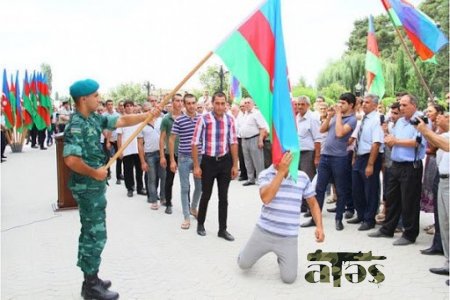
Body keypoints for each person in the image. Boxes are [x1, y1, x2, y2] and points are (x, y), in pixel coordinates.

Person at [63, 78, 157, 300]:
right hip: (87, 187)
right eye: (95, 95)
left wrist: (147, 115)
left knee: (92, 232)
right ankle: (91, 286)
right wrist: (94, 173)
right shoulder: (76, 124)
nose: (99, 98)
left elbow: (121, 120)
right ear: (83, 99)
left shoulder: (93, 118)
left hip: (93, 187)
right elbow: (70, 159)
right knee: (95, 234)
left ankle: (91, 278)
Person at [237, 152, 325, 283]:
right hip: (263, 232)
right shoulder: (265, 174)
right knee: (243, 264)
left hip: (288, 237)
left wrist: (319, 227)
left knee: (289, 278)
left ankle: (281, 257)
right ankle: (248, 252)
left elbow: (313, 203)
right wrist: (281, 172)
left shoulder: (302, 177)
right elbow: (266, 198)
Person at [368, 93, 427, 246]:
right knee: (392, 198)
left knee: (409, 201)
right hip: (396, 164)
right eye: (400, 105)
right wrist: (387, 134)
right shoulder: (400, 121)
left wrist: (396, 141)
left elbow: (417, 142)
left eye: (405, 105)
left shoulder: (420, 121)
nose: (401, 108)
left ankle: (409, 233)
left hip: (411, 166)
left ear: (414, 105)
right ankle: (388, 228)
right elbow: (392, 141)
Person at [301, 93, 357, 231]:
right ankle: (315, 218)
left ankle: (339, 219)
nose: (339, 105)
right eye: (339, 102)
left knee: (340, 189)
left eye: (343, 103)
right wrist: (330, 116)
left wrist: (337, 115)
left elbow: (339, 133)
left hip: (339, 158)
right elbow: (322, 130)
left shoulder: (352, 119)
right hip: (326, 156)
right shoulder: (335, 117)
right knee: (319, 188)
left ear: (351, 105)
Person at [192, 91, 238, 241]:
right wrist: (197, 166)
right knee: (206, 194)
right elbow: (195, 142)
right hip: (208, 162)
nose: (219, 106)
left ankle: (222, 230)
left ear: (226, 104)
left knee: (223, 197)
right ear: (212, 103)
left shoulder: (230, 120)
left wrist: (235, 165)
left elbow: (233, 142)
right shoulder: (204, 119)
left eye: (222, 103)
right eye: (217, 103)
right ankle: (200, 224)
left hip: (225, 162)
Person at [416, 111, 450, 285]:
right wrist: (425, 131)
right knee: (444, 225)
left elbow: (446, 145)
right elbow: (437, 143)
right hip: (443, 181)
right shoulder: (445, 133)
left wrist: (425, 131)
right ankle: (448, 263)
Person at [348, 94, 384, 231]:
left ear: (375, 105)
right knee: (357, 188)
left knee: (370, 190)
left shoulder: (376, 119)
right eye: (363, 102)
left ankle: (369, 219)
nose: (364, 104)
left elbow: (376, 143)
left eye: (367, 102)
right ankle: (361, 214)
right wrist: (354, 157)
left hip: (371, 157)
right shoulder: (364, 119)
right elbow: (359, 139)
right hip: (359, 157)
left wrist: (370, 164)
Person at [169, 94, 202, 229]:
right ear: (184, 104)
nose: (191, 105)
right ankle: (186, 217)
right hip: (183, 157)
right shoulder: (179, 120)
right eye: (188, 103)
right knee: (185, 188)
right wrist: (172, 160)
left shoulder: (201, 119)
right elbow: (171, 140)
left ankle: (193, 208)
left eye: (193, 103)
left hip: (199, 157)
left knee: (200, 187)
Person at [295, 96, 322, 214]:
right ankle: (302, 205)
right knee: (298, 179)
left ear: (308, 105)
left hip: (308, 153)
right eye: (298, 104)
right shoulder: (297, 117)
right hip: (297, 153)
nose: (299, 107)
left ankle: (311, 207)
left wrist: (317, 157)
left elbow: (318, 139)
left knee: (308, 180)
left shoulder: (312, 119)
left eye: (302, 104)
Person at [138, 102, 166, 209]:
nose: (147, 112)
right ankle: (153, 200)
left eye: (149, 109)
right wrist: (142, 161)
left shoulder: (160, 120)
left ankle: (163, 198)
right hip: (149, 154)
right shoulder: (141, 125)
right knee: (152, 178)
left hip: (162, 152)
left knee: (163, 176)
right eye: (145, 110)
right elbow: (140, 144)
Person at [159, 93, 183, 214]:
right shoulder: (166, 119)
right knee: (169, 179)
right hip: (170, 153)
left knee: (185, 182)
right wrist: (162, 156)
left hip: (184, 153)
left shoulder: (186, 117)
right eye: (177, 100)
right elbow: (162, 138)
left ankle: (187, 205)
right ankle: (168, 203)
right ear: (172, 102)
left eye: (181, 101)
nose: (179, 103)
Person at [117, 100, 146, 198]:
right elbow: (119, 137)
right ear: (124, 108)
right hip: (127, 150)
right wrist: (120, 150)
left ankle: (140, 188)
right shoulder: (122, 120)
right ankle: (130, 188)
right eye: (127, 106)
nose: (129, 108)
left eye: (131, 106)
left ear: (134, 107)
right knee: (128, 170)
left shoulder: (138, 119)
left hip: (138, 149)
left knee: (139, 170)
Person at [240, 97, 267, 186]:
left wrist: (260, 140)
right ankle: (250, 179)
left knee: (258, 161)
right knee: (247, 161)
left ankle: (261, 180)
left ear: (253, 103)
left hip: (254, 139)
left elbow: (262, 128)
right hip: (244, 140)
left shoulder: (257, 113)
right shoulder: (245, 114)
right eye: (245, 103)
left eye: (248, 102)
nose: (246, 104)